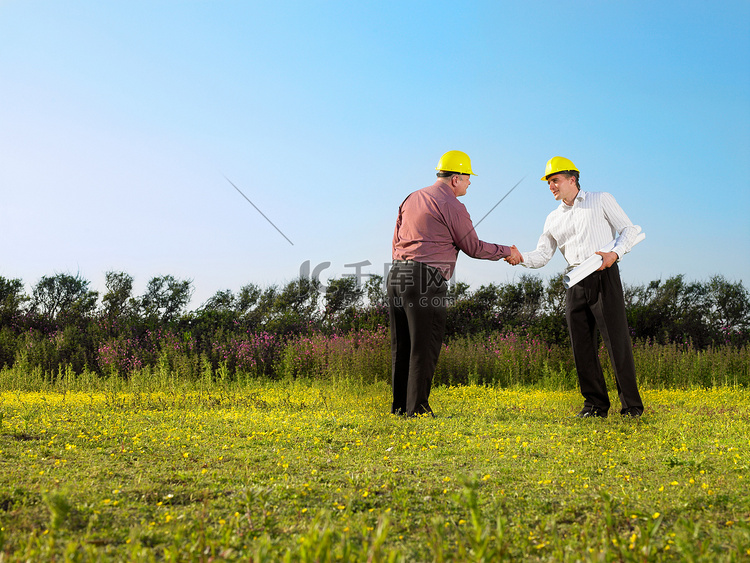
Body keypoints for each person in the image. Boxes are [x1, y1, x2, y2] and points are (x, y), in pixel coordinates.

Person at [506, 156, 644, 418]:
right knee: (581, 346)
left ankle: (631, 407)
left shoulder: (600, 199)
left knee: (617, 343)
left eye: (555, 180)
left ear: (572, 180)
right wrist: (520, 256)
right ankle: (594, 406)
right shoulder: (552, 219)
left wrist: (614, 254)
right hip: (575, 281)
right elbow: (543, 255)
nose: (551, 186)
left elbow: (629, 229)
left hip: (603, 274)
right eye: (548, 182)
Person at [388, 150, 521, 417]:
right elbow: (472, 246)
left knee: (401, 345)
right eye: (468, 178)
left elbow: (395, 241)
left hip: (396, 274)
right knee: (424, 346)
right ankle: (418, 409)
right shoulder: (451, 205)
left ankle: (400, 408)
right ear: (456, 178)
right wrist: (507, 250)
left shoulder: (411, 198)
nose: (470, 183)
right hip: (426, 278)